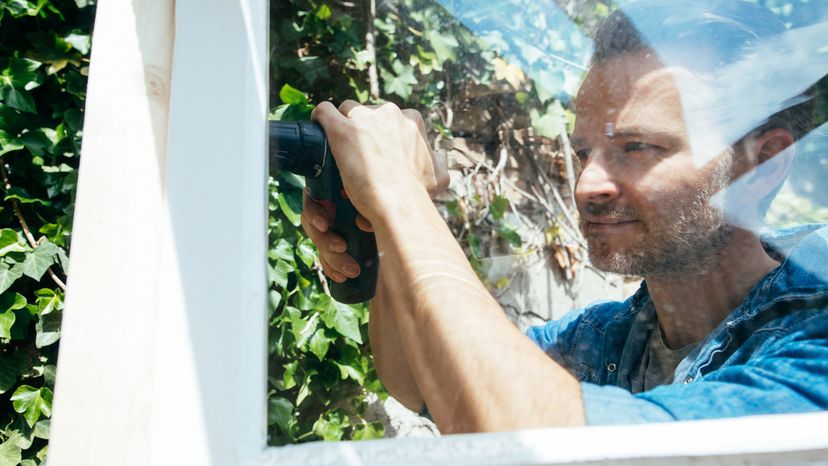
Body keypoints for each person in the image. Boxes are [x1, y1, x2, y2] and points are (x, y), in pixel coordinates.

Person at [300, 0, 828, 432]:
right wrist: (377, 222)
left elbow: (520, 435)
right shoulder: (611, 334)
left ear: (762, 165)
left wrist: (400, 197)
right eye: (582, 153)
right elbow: (419, 382)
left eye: (638, 147)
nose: (586, 185)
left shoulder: (813, 346)